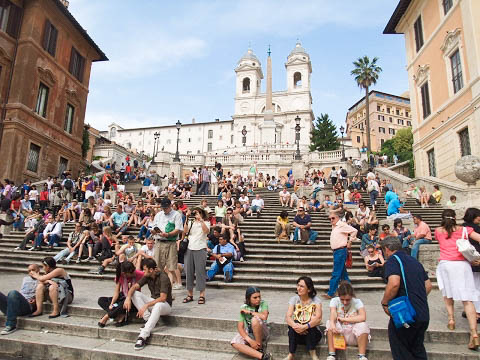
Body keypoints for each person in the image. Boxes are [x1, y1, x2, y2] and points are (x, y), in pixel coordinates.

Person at [381, 236, 432, 360]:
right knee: (417, 349)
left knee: (401, 349)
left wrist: (385, 302)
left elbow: (394, 283)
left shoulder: (393, 260)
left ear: (387, 249)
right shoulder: (415, 261)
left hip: (406, 315)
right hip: (423, 313)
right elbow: (428, 285)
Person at [435, 209, 480, 350]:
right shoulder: (465, 230)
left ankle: (451, 319)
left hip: (446, 264)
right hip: (463, 265)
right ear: (455, 217)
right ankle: (474, 333)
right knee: (467, 299)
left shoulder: (438, 231)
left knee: (448, 294)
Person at [124, 258, 172, 351]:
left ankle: (143, 336)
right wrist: (128, 298)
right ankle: (148, 319)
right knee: (134, 293)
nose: (143, 271)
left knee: (158, 305)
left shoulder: (163, 277)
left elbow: (163, 298)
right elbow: (134, 287)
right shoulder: (147, 276)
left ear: (151, 270)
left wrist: (146, 305)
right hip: (153, 302)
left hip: (165, 305)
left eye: (144, 269)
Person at [326, 281, 370, 360]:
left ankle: (362, 355)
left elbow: (363, 317)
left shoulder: (357, 302)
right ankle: (331, 354)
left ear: (352, 296)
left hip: (353, 334)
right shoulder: (334, 301)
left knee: (363, 325)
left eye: (347, 300)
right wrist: (332, 324)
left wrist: (344, 319)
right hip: (338, 334)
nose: (345, 302)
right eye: (342, 299)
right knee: (329, 323)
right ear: (338, 296)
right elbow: (333, 313)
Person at [97, 261, 144, 327]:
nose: (133, 273)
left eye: (133, 271)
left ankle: (106, 317)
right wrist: (111, 304)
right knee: (101, 300)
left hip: (133, 300)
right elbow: (116, 292)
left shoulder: (139, 274)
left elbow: (148, 274)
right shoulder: (121, 276)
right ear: (124, 273)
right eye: (131, 273)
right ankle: (120, 314)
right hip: (122, 296)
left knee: (123, 303)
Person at [285, 276, 322, 360]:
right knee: (292, 325)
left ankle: (313, 354)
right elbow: (288, 317)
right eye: (298, 285)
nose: (298, 288)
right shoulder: (294, 299)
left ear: (309, 289)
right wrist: (296, 326)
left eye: (302, 286)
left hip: (313, 334)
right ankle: (291, 354)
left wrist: (304, 327)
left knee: (311, 321)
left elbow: (318, 319)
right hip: (297, 333)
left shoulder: (316, 301)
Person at [231, 287, 272, 360]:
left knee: (254, 320)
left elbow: (264, 316)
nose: (258, 299)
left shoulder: (263, 304)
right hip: (249, 332)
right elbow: (240, 327)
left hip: (262, 330)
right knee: (234, 342)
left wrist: (250, 312)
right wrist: (249, 340)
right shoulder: (244, 307)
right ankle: (262, 356)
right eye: (255, 297)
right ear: (248, 298)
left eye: (259, 297)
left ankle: (259, 348)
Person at [323, 212, 357, 299]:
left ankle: (331, 293)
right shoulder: (334, 226)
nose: (331, 220)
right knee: (343, 274)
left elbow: (354, 230)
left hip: (340, 251)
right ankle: (350, 291)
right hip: (337, 251)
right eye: (330, 219)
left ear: (338, 217)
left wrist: (350, 241)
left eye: (333, 218)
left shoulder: (342, 225)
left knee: (336, 272)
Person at [0, 264, 40, 335]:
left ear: (38, 270)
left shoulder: (41, 280)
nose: (31, 272)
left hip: (27, 306)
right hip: (19, 303)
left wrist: (35, 300)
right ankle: (11, 310)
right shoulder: (25, 279)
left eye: (33, 270)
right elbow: (23, 291)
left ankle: (11, 325)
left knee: (13, 292)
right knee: (12, 294)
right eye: (29, 271)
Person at [152, 198, 183, 287]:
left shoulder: (176, 215)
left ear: (170, 206)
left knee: (172, 264)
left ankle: (176, 283)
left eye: (166, 208)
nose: (164, 210)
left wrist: (168, 234)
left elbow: (178, 229)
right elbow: (154, 226)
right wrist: (153, 231)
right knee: (158, 264)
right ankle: (159, 283)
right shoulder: (158, 214)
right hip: (159, 241)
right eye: (163, 208)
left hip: (170, 241)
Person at [182, 207, 210, 305]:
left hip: (200, 248)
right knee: (189, 272)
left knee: (200, 272)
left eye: (198, 213)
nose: (196, 215)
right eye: (195, 213)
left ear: (202, 214)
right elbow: (185, 231)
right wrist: (186, 218)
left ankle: (202, 295)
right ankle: (190, 294)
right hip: (190, 248)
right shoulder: (191, 222)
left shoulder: (206, 222)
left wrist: (201, 220)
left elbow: (206, 231)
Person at [463, 208, 480, 319]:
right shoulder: (476, 229)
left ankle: (472, 310)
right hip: (476, 259)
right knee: (476, 286)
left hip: (466, 260)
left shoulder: (462, 227)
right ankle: (477, 312)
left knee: (470, 287)